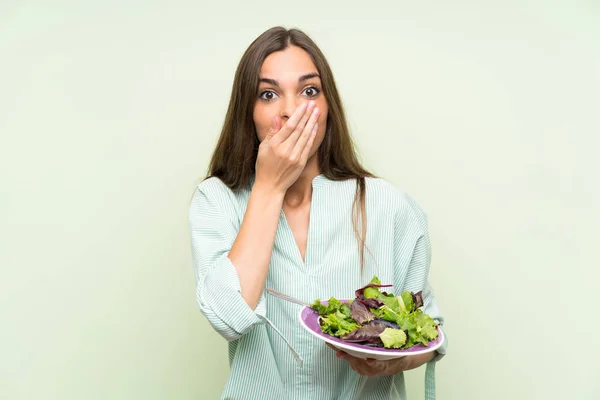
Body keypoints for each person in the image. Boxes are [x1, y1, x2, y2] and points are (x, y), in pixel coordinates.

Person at [189, 26, 447, 400]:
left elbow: (427, 331)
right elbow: (229, 317)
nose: (291, 111)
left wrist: (392, 360)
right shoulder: (216, 200)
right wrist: (269, 187)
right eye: (268, 94)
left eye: (309, 91)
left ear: (328, 108)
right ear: (249, 112)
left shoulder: (389, 205)